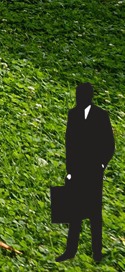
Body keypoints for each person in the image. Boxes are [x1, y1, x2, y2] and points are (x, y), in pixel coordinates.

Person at [62, 82, 115, 263]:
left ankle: (97, 253)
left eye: (82, 95)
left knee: (94, 214)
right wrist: (69, 170)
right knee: (75, 213)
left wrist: (101, 165)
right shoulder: (73, 114)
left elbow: (109, 145)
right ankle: (70, 251)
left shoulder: (101, 116)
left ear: (89, 96)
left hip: (93, 171)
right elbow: (70, 145)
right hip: (76, 171)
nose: (79, 98)